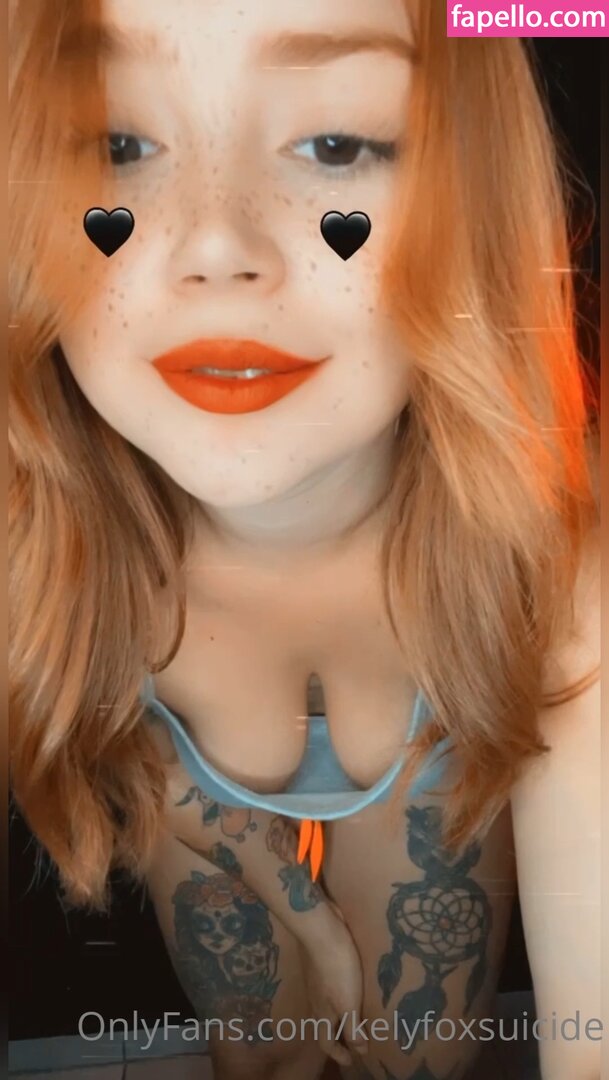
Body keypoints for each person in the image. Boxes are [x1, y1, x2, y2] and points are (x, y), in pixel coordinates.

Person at [9, 1, 601, 1078]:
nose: (216, 247)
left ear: (474, 192)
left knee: (408, 1052)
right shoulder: (40, 561)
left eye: (334, 143)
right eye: (118, 141)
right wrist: (298, 912)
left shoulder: (567, 569)